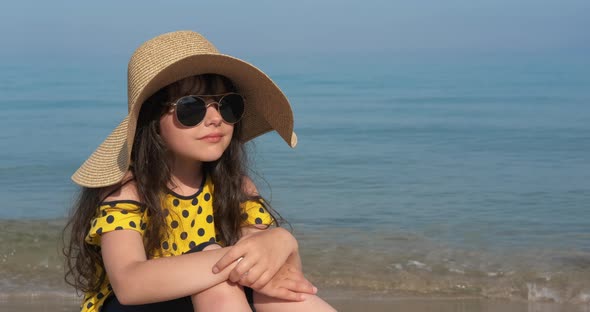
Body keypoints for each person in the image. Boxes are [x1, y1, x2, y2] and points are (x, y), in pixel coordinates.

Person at [63, 30, 336, 312]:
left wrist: (282, 242)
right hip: (132, 306)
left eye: (227, 105)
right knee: (217, 276)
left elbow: (273, 276)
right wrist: (218, 256)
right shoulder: (128, 192)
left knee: (278, 291)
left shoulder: (237, 187)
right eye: (191, 108)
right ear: (152, 120)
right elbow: (129, 283)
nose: (215, 118)